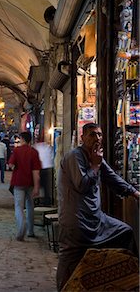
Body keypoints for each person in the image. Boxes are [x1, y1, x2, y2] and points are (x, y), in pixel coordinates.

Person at [56, 123, 140, 291]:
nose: (97, 139)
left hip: (96, 219)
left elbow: (111, 177)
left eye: (100, 135)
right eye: (93, 135)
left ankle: (122, 281)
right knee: (71, 260)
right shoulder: (75, 156)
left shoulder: (95, 157)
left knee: (125, 233)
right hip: (76, 222)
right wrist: (95, 165)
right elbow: (82, 185)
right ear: (83, 138)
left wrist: (134, 193)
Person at [8, 132, 41, 241]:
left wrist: (15, 167)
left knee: (19, 206)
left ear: (22, 139)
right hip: (30, 183)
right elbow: (36, 171)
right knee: (30, 206)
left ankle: (21, 227)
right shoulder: (34, 152)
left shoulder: (17, 151)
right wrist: (37, 186)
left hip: (18, 182)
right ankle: (30, 231)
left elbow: (11, 165)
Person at [33, 139, 54, 206]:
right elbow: (52, 157)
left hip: (39, 168)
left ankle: (37, 200)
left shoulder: (36, 147)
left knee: (37, 184)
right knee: (46, 186)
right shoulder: (48, 147)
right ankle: (46, 201)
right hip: (47, 168)